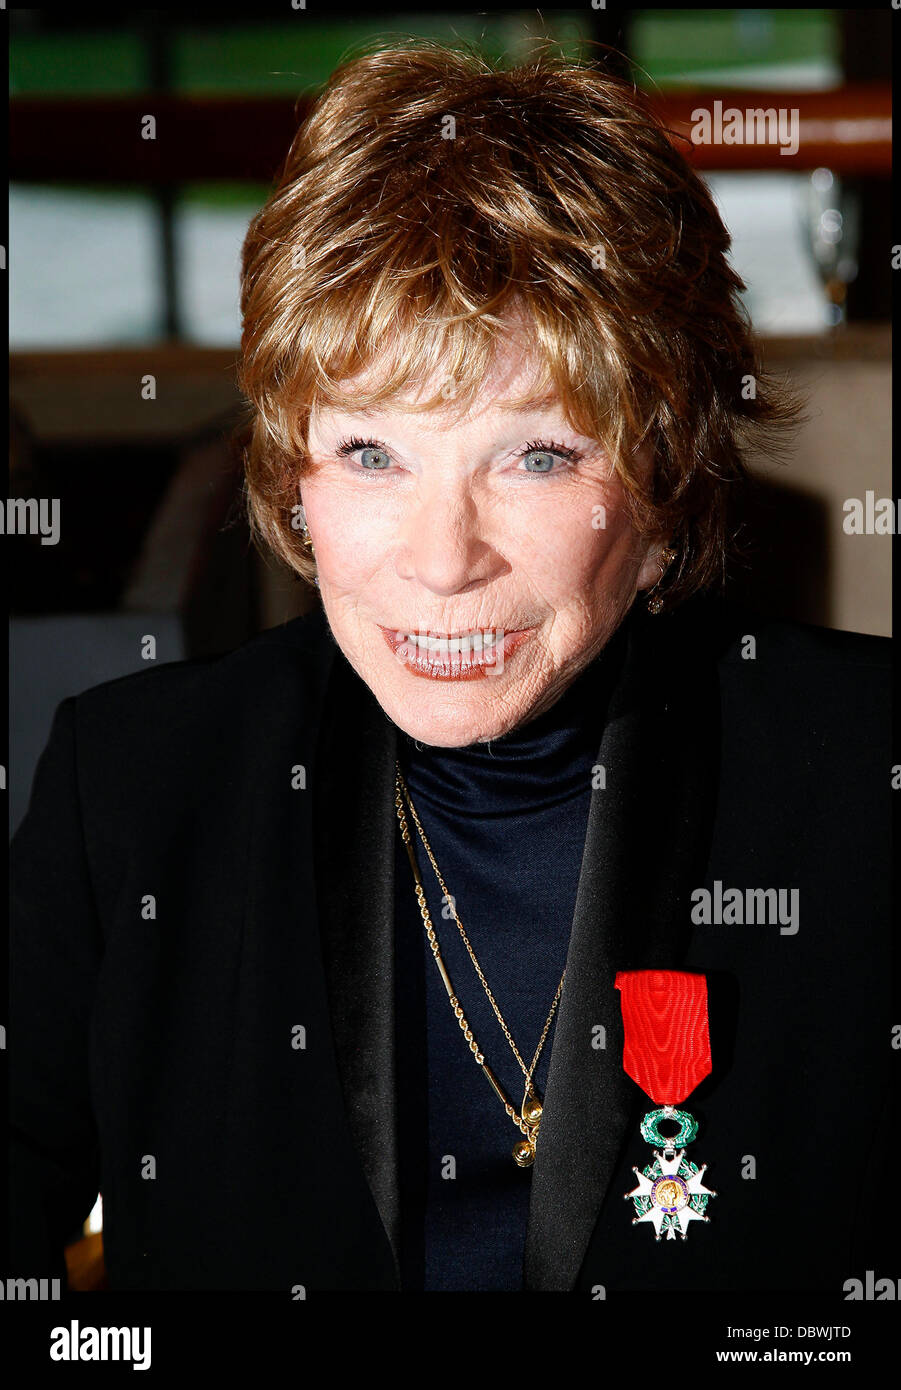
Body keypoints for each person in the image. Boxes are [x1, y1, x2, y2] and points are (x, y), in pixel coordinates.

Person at [9, 42, 890, 1295]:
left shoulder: (864, 776)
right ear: (293, 481)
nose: (441, 561)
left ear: (665, 486)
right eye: (371, 453)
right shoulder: (139, 788)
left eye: (535, 456)